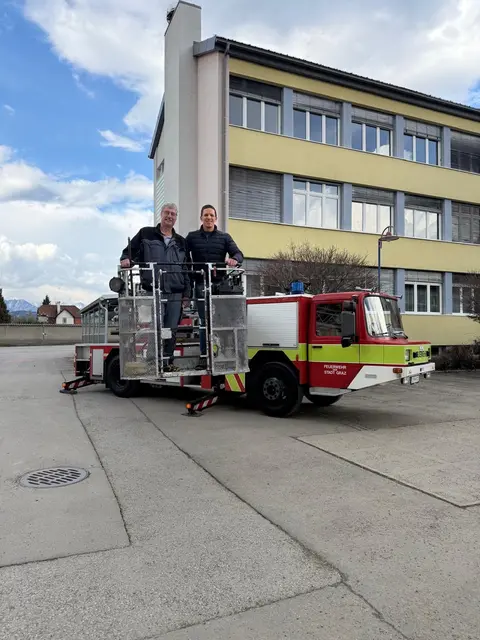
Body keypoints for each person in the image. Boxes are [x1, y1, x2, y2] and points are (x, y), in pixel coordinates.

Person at [120, 202, 190, 372]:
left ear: (176, 218)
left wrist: (187, 294)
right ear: (161, 214)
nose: (169, 216)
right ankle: (153, 362)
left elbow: (186, 268)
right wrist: (125, 258)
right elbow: (129, 251)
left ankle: (167, 362)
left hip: (175, 292)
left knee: (171, 329)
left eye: (173, 214)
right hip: (154, 290)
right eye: (167, 212)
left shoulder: (181, 242)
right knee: (155, 328)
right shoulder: (146, 234)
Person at [186, 204, 243, 365]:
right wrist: (190, 274)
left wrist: (234, 259)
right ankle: (205, 356)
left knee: (221, 321)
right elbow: (183, 257)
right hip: (200, 284)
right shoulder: (192, 237)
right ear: (201, 218)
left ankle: (223, 353)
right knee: (204, 322)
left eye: (211, 215)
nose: (209, 218)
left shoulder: (224, 237)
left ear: (216, 218)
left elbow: (239, 254)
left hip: (220, 285)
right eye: (206, 215)